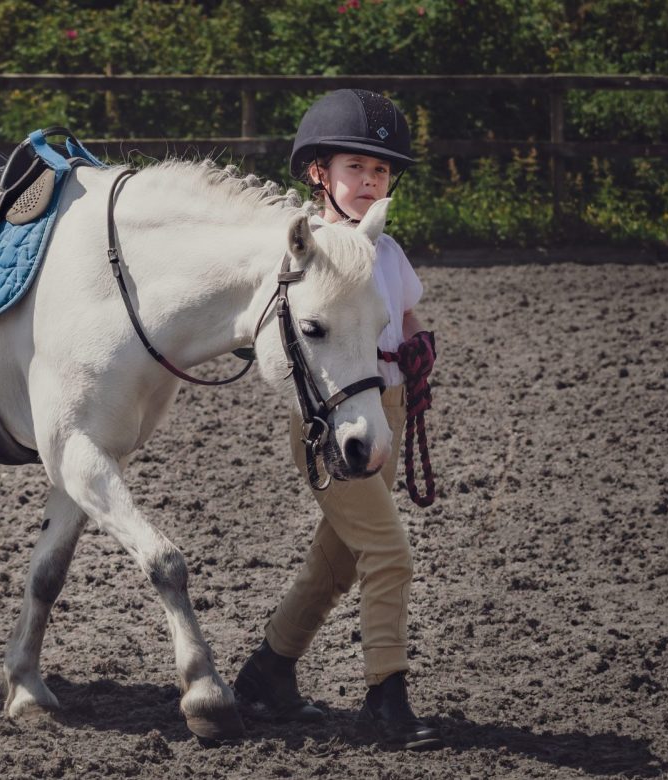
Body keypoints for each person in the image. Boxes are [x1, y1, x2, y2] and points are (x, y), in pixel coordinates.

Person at [233, 89, 443, 751]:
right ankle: (386, 695)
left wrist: (416, 353)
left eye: (381, 171)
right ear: (318, 172)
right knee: (389, 554)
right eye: (357, 166)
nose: (372, 180)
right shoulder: (305, 250)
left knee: (339, 563)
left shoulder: (388, 250)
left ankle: (267, 673)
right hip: (330, 421)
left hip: (386, 407)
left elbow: (404, 317)